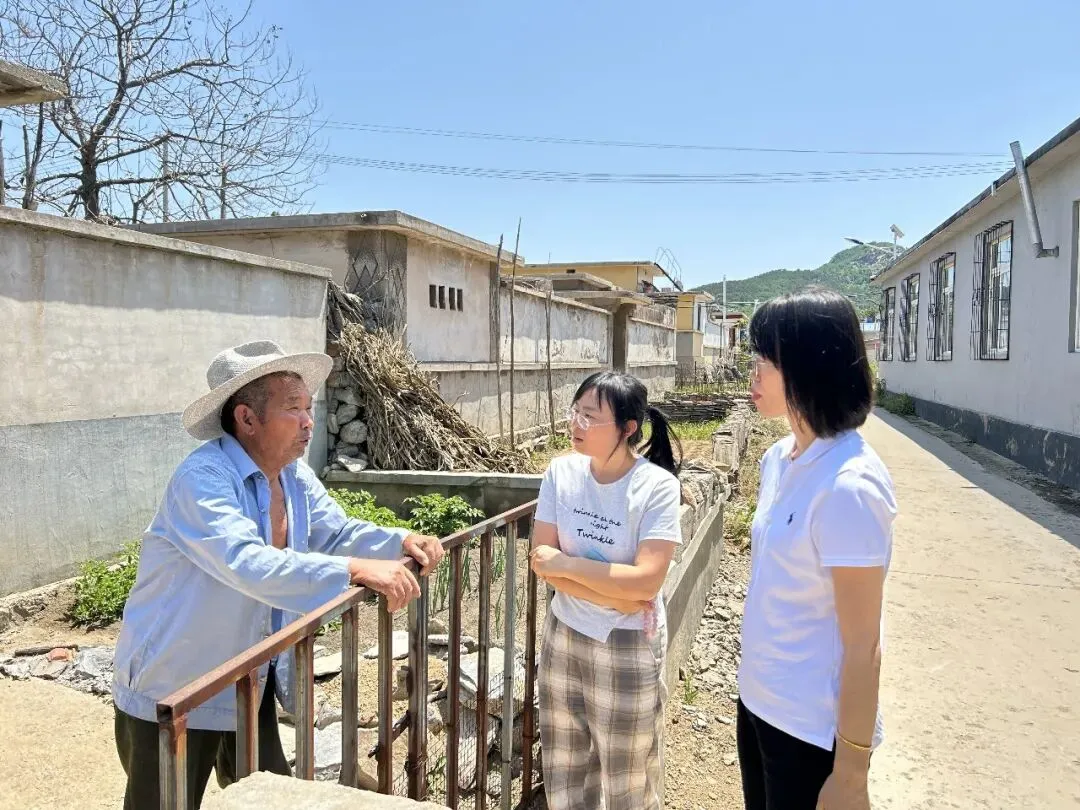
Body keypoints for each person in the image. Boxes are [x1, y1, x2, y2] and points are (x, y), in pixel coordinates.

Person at [111, 340, 445, 809]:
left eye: (309, 408)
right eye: (293, 408)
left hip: (248, 676)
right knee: (165, 802)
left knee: (269, 795)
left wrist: (399, 541)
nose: (309, 421)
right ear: (247, 419)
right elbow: (247, 562)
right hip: (177, 683)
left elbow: (335, 530)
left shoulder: (292, 476)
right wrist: (354, 569)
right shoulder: (203, 479)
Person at [737, 288, 897, 810]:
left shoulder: (849, 485)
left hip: (809, 731)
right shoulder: (779, 459)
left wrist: (851, 774)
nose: (752, 373)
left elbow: (863, 645)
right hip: (758, 704)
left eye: (765, 360)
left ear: (807, 367)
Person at [528, 370, 683, 810]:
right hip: (564, 634)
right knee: (564, 767)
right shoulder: (561, 472)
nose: (575, 424)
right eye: (575, 412)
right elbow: (541, 559)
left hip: (627, 644)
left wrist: (569, 566)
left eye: (590, 417)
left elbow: (647, 580)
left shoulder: (656, 487)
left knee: (627, 778)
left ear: (627, 428)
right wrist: (620, 595)